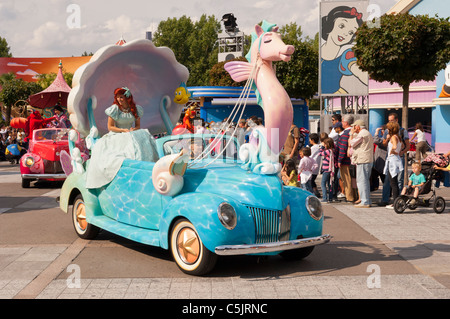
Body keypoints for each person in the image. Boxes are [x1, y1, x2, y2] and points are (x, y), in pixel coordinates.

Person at [85, 87, 158, 189]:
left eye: (121, 97)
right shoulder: (115, 109)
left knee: (144, 138)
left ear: (127, 98)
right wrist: (123, 131)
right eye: (118, 97)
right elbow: (110, 127)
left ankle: (147, 170)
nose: (119, 99)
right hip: (117, 134)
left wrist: (133, 129)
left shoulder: (135, 109)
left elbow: (138, 126)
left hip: (131, 133)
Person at [378, 113, 410, 206]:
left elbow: (406, 145)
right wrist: (387, 139)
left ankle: (398, 200)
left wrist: (400, 152)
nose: (390, 122)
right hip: (390, 159)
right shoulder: (388, 131)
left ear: (396, 120)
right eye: (389, 120)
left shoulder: (403, 131)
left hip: (398, 158)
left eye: (392, 120)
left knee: (399, 180)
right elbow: (384, 143)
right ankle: (385, 199)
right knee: (388, 180)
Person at [349, 119, 374, 208]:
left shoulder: (362, 134)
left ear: (358, 126)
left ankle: (365, 201)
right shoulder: (367, 133)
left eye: (354, 126)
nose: (353, 128)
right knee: (365, 181)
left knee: (361, 181)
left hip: (363, 160)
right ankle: (366, 200)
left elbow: (352, 143)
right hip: (367, 160)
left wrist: (351, 134)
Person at [384, 122, 404, 209]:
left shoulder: (393, 137)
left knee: (393, 183)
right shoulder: (398, 137)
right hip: (396, 160)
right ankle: (396, 201)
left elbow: (395, 146)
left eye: (388, 128)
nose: (387, 130)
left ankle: (395, 202)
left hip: (392, 161)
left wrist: (392, 151)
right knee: (394, 182)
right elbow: (402, 146)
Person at [337, 114, 356, 202]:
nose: (341, 123)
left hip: (345, 161)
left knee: (347, 180)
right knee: (353, 180)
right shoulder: (354, 132)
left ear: (346, 123)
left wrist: (339, 159)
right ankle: (354, 196)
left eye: (342, 121)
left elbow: (343, 148)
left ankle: (349, 197)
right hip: (353, 160)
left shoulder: (345, 134)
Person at [320, 137, 336, 203]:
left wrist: (322, 148)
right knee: (330, 184)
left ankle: (324, 198)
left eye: (325, 144)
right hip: (330, 170)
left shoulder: (327, 151)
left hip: (326, 170)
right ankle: (330, 198)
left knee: (323, 184)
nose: (324, 145)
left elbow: (320, 154)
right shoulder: (332, 150)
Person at [309, 133, 321, 197]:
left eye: (310, 139)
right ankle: (316, 192)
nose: (309, 141)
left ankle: (315, 192)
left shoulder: (313, 148)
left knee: (311, 180)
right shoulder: (319, 147)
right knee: (312, 180)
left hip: (312, 166)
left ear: (312, 140)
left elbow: (310, 156)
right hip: (317, 165)